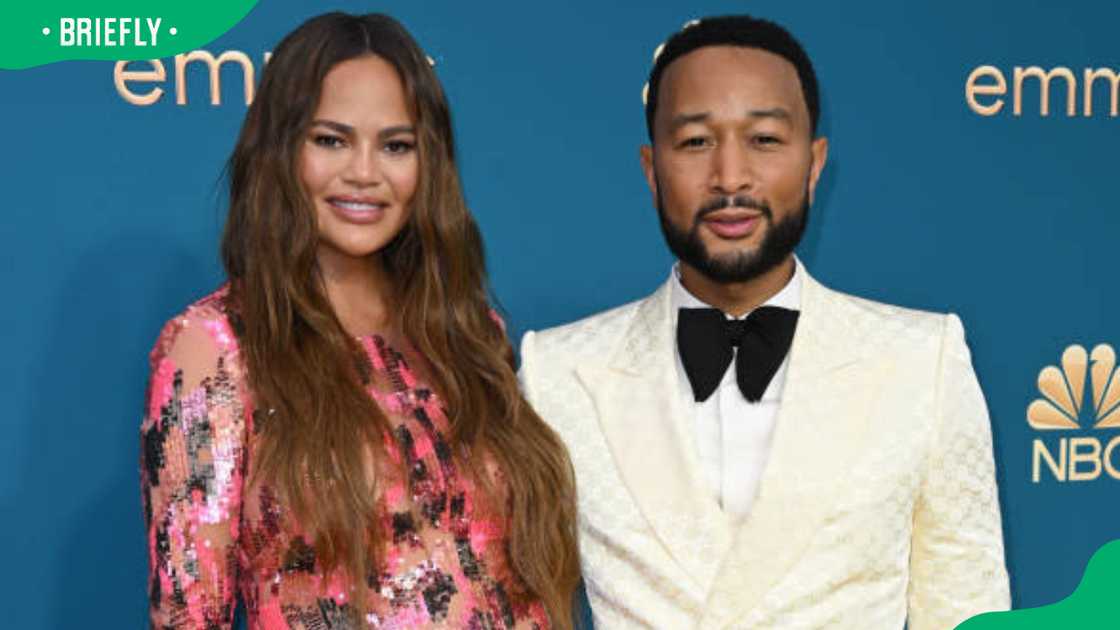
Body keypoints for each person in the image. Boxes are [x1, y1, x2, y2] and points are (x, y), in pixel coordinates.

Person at [519, 15, 1010, 629]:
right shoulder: (556, 372)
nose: (730, 178)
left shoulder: (921, 361)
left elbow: (966, 611)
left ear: (814, 162)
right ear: (651, 169)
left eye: (765, 140)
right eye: (696, 141)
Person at [140, 12, 579, 629]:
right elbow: (190, 616)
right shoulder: (215, 347)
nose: (365, 173)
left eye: (395, 146)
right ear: (280, 148)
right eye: (331, 140)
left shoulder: (468, 331)